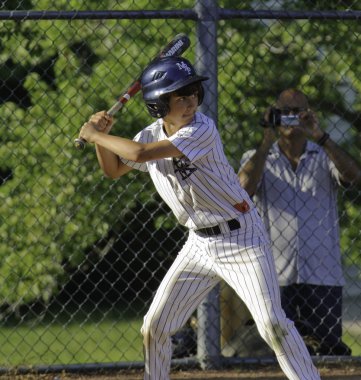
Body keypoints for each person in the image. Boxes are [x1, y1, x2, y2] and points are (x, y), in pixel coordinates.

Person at [78, 58, 321, 380]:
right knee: (155, 327)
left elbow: (139, 155)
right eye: (181, 96)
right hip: (199, 244)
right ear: (157, 104)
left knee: (272, 324)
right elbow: (113, 170)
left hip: (241, 239)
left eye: (194, 92)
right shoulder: (148, 134)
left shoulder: (201, 128)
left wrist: (94, 135)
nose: (192, 100)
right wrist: (103, 138)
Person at [238, 88, 361, 356]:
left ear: (308, 114)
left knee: (326, 355)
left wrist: (320, 136)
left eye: (297, 112)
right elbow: (242, 190)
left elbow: (354, 177)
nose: (291, 118)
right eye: (284, 112)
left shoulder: (323, 156)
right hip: (275, 276)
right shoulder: (257, 157)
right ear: (273, 115)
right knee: (276, 355)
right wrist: (266, 140)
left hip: (322, 275)